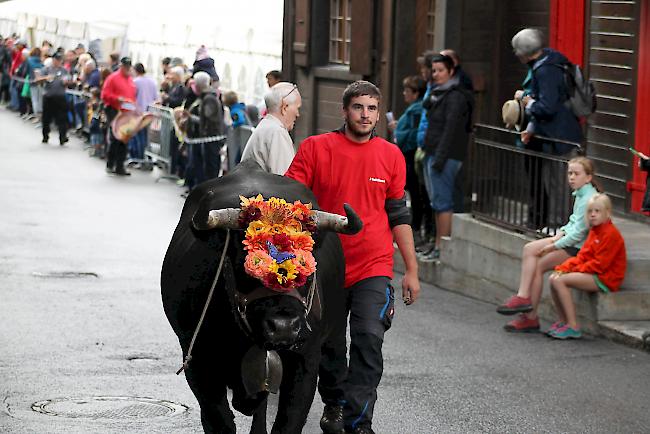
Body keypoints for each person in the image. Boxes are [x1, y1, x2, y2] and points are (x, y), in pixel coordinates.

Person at [285, 80, 420, 434]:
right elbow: (289, 200)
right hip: (324, 266)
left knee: (368, 337)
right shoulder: (316, 148)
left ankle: (359, 424)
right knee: (329, 344)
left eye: (372, 108)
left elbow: (399, 216)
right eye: (358, 107)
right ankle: (334, 402)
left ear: (378, 114)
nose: (365, 114)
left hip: (373, 264)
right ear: (344, 111)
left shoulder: (391, 155)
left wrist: (411, 270)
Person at [496, 157, 600, 331]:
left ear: (588, 177)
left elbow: (579, 234)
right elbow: (573, 222)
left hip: (578, 248)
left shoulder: (589, 198)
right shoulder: (581, 194)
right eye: (569, 173)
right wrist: (559, 233)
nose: (571, 177)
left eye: (576, 174)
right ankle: (523, 299)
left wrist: (554, 244)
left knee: (538, 265)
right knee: (529, 249)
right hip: (570, 241)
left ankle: (529, 316)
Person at [512, 28, 582, 229]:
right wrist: (532, 127)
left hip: (558, 136)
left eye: (517, 50)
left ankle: (560, 226)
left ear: (525, 52)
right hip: (553, 133)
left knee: (559, 184)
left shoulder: (545, 70)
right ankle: (556, 225)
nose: (516, 54)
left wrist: (527, 103)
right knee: (555, 182)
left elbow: (547, 106)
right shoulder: (550, 61)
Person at [548, 193, 626, 339]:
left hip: (606, 278)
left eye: (597, 211)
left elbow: (600, 265)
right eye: (590, 211)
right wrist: (565, 267)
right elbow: (582, 256)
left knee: (560, 280)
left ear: (607, 213)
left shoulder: (611, 234)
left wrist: (573, 271)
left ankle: (573, 326)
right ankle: (563, 321)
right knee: (553, 277)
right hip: (593, 272)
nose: (593, 215)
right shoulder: (594, 231)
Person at [421, 54, 474, 261]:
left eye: (441, 70)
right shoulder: (437, 93)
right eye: (434, 71)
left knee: (443, 203)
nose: (436, 74)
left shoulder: (455, 96)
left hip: (445, 155)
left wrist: (439, 159)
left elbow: (451, 130)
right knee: (436, 201)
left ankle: (443, 248)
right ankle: (436, 244)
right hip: (432, 152)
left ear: (451, 71)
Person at [388, 75, 427, 243]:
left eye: (407, 91)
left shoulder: (417, 111)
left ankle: (416, 228)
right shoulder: (413, 109)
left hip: (410, 155)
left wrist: (398, 131)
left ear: (416, 93)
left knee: (414, 193)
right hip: (406, 154)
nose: (404, 93)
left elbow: (413, 133)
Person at [240, 82, 301, 175]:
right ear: (284, 107)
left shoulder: (267, 126)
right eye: (297, 108)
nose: (298, 114)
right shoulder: (276, 132)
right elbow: (285, 182)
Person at [181, 71, 225, 189]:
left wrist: (191, 117)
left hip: (210, 137)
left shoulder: (209, 99)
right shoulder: (206, 97)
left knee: (210, 166)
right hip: (206, 137)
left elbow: (207, 119)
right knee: (204, 165)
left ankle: (209, 191)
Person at [101, 57, 136, 175]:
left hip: (127, 111)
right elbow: (105, 94)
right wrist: (117, 98)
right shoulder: (112, 78)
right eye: (125, 66)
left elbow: (132, 95)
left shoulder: (131, 80)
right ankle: (111, 164)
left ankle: (120, 166)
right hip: (114, 109)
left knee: (124, 138)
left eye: (128, 66)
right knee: (115, 137)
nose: (127, 69)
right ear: (121, 66)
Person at [36, 52, 70, 145]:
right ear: (53, 60)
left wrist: (66, 81)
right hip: (49, 97)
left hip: (60, 97)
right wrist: (46, 78)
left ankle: (63, 136)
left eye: (60, 60)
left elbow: (68, 80)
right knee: (46, 118)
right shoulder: (47, 69)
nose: (58, 62)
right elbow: (37, 79)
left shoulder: (64, 70)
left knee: (62, 118)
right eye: (56, 60)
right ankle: (45, 135)